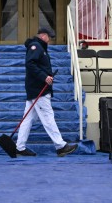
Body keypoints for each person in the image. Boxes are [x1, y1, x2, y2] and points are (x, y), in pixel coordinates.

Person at [15, 25, 77, 157]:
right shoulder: (36, 47)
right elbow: (30, 63)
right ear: (43, 35)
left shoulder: (39, 47)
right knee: (48, 117)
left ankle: (19, 147)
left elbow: (33, 64)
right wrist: (45, 77)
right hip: (39, 90)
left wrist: (45, 77)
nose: (49, 40)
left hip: (35, 88)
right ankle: (61, 146)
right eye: (49, 37)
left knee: (28, 119)